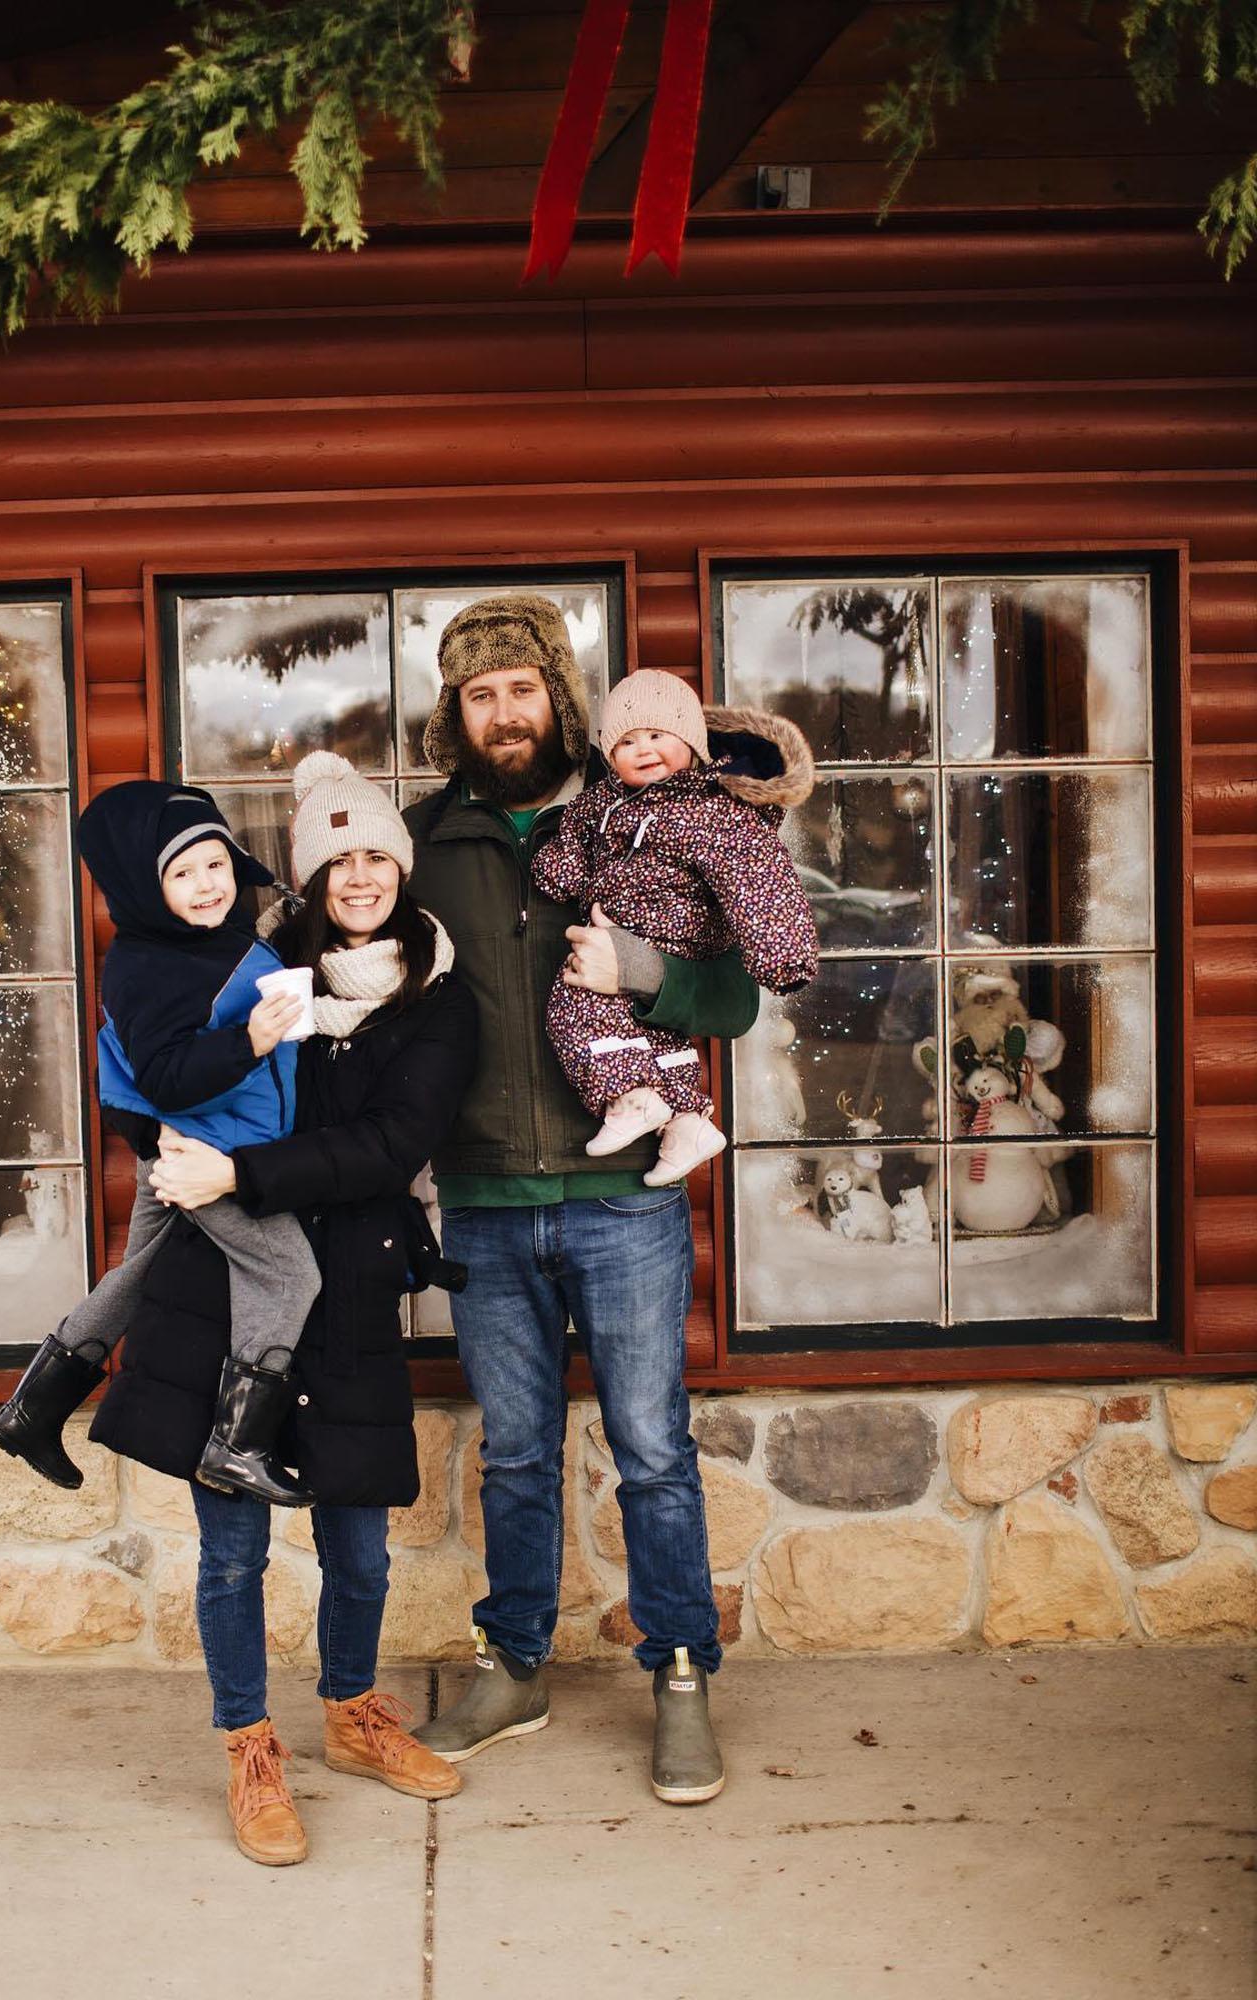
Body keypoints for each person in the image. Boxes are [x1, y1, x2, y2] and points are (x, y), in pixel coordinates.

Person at [402, 594, 813, 1805]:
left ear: (557, 697)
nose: (503, 710)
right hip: (481, 1195)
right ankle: (514, 1662)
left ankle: (680, 1671)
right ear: (456, 711)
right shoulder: (428, 840)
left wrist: (641, 970)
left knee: (651, 1452)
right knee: (517, 1453)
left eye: (521, 687)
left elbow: (734, 1002)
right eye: (480, 693)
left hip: (624, 1195)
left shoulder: (647, 810)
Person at [90, 751, 479, 1866]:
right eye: (336, 858)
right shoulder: (259, 967)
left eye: (376, 855)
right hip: (224, 1285)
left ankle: (354, 1714)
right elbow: (158, 1076)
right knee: (232, 1548)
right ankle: (248, 1744)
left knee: (358, 1543)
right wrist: (167, 1148)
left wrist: (240, 1174)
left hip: (349, 1280)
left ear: (400, 871)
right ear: (307, 877)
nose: (358, 876)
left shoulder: (436, 999)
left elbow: (389, 1145)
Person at [0, 781, 321, 1506]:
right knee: (291, 1275)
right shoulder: (150, 963)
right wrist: (251, 1040)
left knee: (137, 1270)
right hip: (204, 1153)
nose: (206, 885)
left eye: (216, 864)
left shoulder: (206, 942)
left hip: (187, 1146)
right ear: (147, 885)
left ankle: (31, 1410)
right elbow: (166, 1076)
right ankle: (237, 1446)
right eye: (182, 873)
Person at [532, 668, 818, 1185]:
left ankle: (629, 1098)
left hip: (675, 932)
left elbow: (758, 877)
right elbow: (574, 837)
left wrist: (782, 952)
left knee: (575, 1004)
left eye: (658, 736)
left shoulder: (715, 810)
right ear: (608, 752)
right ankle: (688, 1122)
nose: (643, 749)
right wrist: (558, 870)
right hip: (626, 926)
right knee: (655, 1035)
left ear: (691, 740)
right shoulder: (604, 801)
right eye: (626, 740)